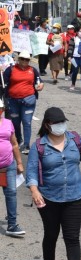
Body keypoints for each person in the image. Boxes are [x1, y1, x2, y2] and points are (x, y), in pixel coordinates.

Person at [26, 107, 81, 260]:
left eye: (62, 122)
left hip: (74, 197)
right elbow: (32, 171)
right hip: (49, 198)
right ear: (47, 125)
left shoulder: (74, 139)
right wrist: (34, 190)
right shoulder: (39, 146)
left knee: (72, 237)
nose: (60, 126)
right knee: (51, 234)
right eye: (56, 123)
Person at [3, 51, 44, 155]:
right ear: (18, 59)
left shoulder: (33, 70)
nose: (25, 61)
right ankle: (19, 140)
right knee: (15, 123)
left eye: (27, 59)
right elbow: (2, 83)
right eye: (22, 59)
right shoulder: (10, 69)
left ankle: (26, 145)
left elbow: (39, 81)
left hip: (28, 101)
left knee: (27, 122)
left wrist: (41, 85)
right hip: (13, 102)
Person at [0, 98, 26, 237]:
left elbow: (14, 144)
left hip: (8, 165)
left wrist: (19, 163)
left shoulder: (8, 123)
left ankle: (12, 224)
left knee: (11, 194)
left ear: (2, 110)